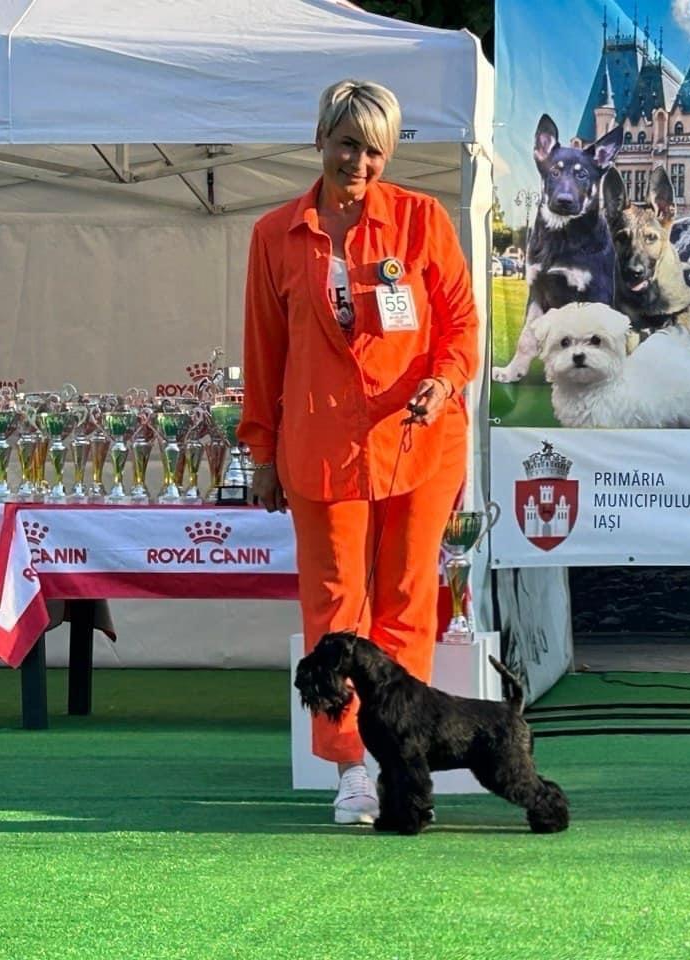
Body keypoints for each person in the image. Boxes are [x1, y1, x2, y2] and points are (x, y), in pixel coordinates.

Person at [238, 78, 480, 824]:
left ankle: (400, 763)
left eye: (375, 150)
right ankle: (349, 768)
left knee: (408, 602)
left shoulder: (420, 219)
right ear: (321, 139)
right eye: (348, 144)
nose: (360, 163)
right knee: (334, 609)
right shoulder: (274, 235)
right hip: (321, 447)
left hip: (419, 442)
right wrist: (261, 454)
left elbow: (462, 326)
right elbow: (264, 353)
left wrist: (443, 381)